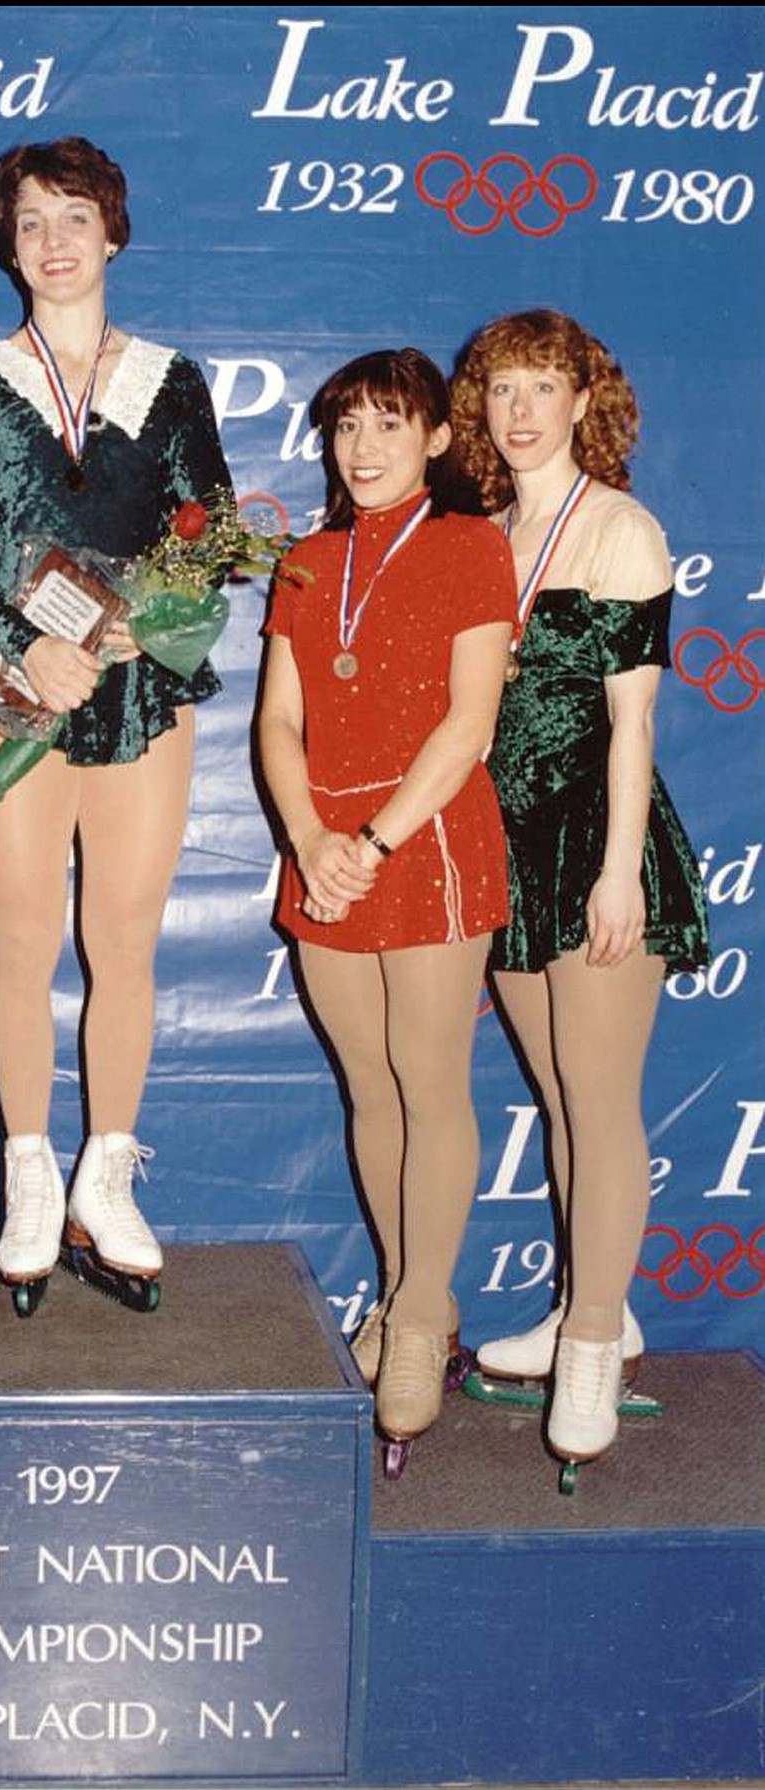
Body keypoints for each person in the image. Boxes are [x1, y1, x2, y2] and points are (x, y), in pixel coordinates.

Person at [0, 137, 231, 1310]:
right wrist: (31, 637)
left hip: (137, 690)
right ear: (7, 242)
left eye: (74, 217)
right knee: (22, 946)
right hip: (11, 690)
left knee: (125, 945)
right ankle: (29, 1173)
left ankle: (107, 1169)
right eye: (31, 220)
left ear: (114, 232)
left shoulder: (171, 378)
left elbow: (214, 527)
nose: (53, 241)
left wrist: (139, 624)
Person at [450, 309, 709, 1476]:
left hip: (595, 847)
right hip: (503, 850)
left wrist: (616, 874)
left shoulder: (620, 527)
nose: (520, 409)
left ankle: (596, 1342)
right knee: (557, 1097)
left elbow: (633, 719)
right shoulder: (481, 530)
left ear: (581, 399)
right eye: (501, 387)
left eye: (543, 386)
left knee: (600, 1101)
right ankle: (583, 1302)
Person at [256, 348, 516, 1468]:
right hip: (324, 850)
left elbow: (470, 723)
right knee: (371, 1087)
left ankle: (415, 1315)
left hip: (429, 836)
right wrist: (312, 838)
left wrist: (370, 840)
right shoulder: (306, 559)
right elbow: (277, 721)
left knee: (429, 1078)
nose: (361, 448)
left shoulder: (470, 543)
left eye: (387, 425)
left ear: (436, 439)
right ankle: (420, 1297)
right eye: (346, 426)